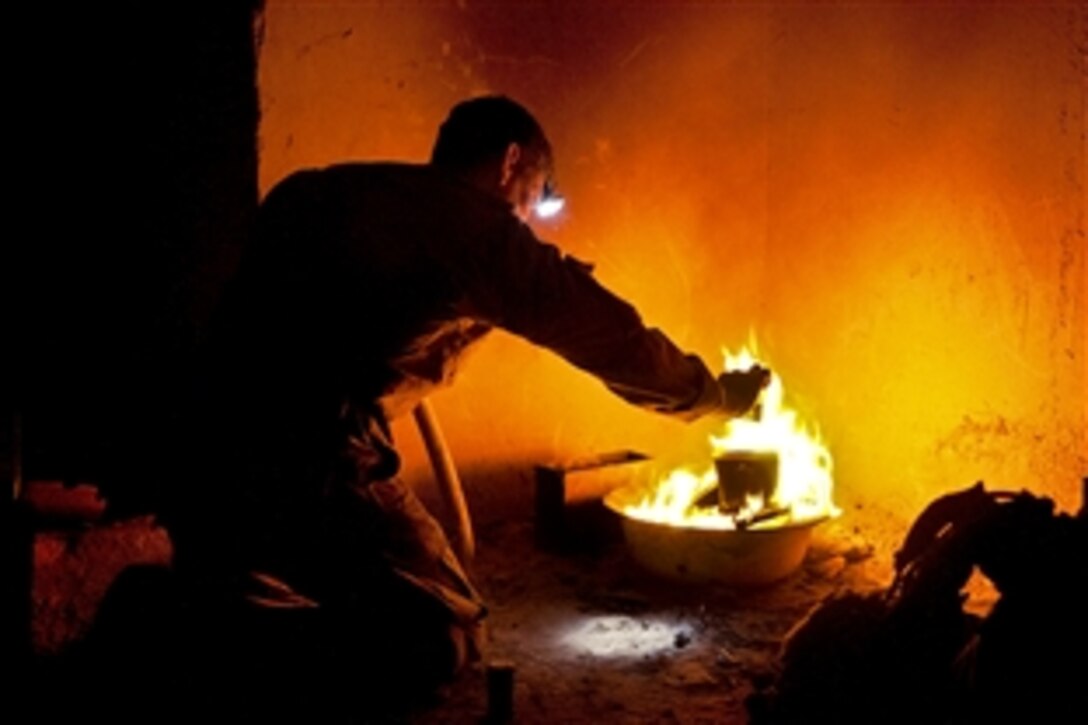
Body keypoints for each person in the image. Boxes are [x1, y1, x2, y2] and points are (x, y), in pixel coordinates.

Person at [164, 94, 769, 708]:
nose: (530, 218)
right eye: (538, 193)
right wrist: (713, 398)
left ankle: (214, 599)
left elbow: (357, 320)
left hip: (195, 450)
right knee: (443, 633)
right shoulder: (479, 234)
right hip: (309, 460)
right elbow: (611, 339)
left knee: (275, 573)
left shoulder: (325, 190)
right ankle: (199, 643)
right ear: (511, 161)